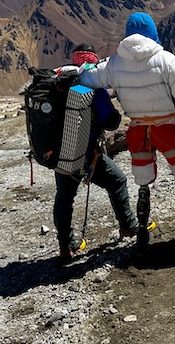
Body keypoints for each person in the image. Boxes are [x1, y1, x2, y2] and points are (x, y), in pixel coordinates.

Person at [79, 12, 175, 245]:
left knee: (143, 178)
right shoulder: (166, 59)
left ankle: (142, 228)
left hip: (137, 131)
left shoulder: (113, 64)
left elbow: (87, 79)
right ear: (152, 33)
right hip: (167, 128)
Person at [54, 43, 138, 265]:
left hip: (58, 152)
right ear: (93, 62)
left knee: (65, 196)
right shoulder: (92, 85)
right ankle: (129, 226)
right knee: (117, 180)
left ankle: (66, 247)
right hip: (85, 153)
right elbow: (110, 121)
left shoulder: (58, 84)